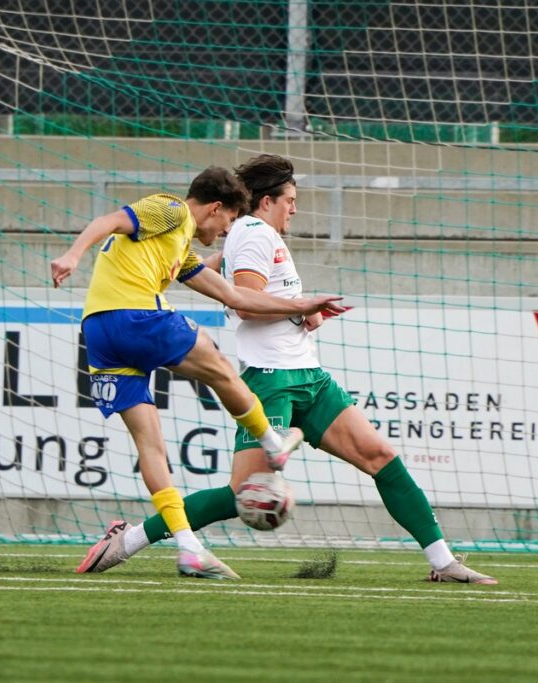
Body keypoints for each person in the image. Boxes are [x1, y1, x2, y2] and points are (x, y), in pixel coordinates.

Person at [76, 154, 497, 584]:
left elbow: (227, 281)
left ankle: (443, 561)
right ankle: (130, 539)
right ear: (266, 202)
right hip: (271, 379)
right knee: (241, 494)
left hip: (308, 376)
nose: (294, 209)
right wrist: (300, 308)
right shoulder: (252, 234)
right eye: (289, 200)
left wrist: (303, 313)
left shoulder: (254, 235)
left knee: (380, 457)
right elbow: (245, 302)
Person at [50, 166, 344, 579]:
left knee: (151, 446)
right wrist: (72, 254)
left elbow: (235, 296)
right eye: (229, 220)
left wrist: (303, 305)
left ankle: (189, 549)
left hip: (99, 334)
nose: (227, 231)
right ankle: (272, 442)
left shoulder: (180, 254)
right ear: (215, 208)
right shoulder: (171, 209)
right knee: (221, 369)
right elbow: (108, 221)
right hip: (135, 317)